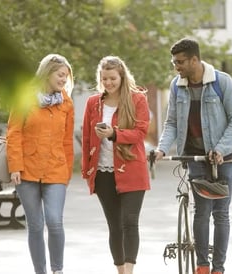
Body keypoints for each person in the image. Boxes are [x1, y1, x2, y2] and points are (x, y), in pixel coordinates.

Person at [153, 38, 232, 274]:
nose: (177, 67)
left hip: (224, 158)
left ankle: (218, 269)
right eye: (174, 62)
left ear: (195, 59)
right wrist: (162, 148)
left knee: (220, 213)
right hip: (194, 157)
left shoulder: (221, 82)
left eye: (180, 62)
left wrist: (221, 149)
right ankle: (202, 266)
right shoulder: (176, 85)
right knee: (202, 211)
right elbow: (172, 122)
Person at [81, 56, 150, 274]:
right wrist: (86, 170)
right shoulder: (93, 102)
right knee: (114, 225)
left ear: (122, 76)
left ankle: (129, 271)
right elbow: (86, 138)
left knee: (130, 221)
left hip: (132, 170)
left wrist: (114, 134)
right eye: (104, 79)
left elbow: (140, 133)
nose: (108, 83)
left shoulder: (137, 99)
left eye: (112, 78)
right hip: (102, 172)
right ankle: (120, 270)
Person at [6, 53, 74, 274]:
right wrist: (14, 166)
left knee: (54, 221)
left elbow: (67, 141)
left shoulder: (66, 103)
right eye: (60, 74)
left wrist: (67, 172)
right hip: (26, 172)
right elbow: (14, 133)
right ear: (47, 72)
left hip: (56, 170)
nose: (64, 79)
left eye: (66, 76)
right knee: (35, 225)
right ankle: (40, 271)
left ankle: (57, 270)